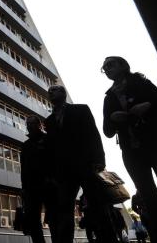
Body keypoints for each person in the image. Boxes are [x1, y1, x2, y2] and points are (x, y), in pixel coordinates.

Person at [102, 56, 157, 243]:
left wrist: (149, 106)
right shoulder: (109, 97)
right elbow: (107, 132)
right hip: (132, 153)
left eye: (110, 64)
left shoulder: (143, 84)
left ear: (123, 65)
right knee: (149, 198)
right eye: (104, 67)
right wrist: (113, 119)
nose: (106, 68)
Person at [44, 85, 118, 243]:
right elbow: (51, 149)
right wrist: (52, 173)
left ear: (63, 94)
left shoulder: (81, 110)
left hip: (86, 165)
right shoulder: (49, 121)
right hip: (64, 172)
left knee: (98, 206)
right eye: (49, 92)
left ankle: (109, 239)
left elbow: (93, 134)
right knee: (64, 210)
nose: (50, 92)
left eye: (54, 90)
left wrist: (100, 159)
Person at [20, 115, 57, 243]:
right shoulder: (25, 146)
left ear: (39, 125)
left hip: (49, 186)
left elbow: (56, 162)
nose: (29, 126)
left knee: (53, 219)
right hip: (31, 188)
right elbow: (23, 169)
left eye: (32, 123)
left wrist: (53, 179)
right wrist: (24, 188)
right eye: (27, 124)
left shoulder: (48, 140)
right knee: (34, 222)